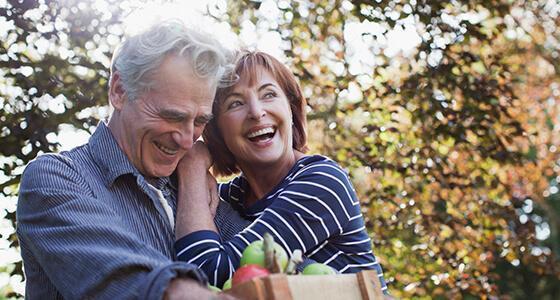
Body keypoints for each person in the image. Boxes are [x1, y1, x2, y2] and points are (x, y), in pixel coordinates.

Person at [16, 19, 235, 299]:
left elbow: (273, 256)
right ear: (119, 91)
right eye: (172, 116)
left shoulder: (192, 188)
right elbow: (131, 282)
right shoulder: (56, 180)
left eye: (200, 121)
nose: (186, 139)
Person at [173, 51, 388, 294]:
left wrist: (191, 166)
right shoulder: (231, 197)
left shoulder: (322, 182)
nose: (256, 112)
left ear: (291, 110)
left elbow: (206, 273)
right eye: (236, 103)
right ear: (218, 130)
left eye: (269, 95)